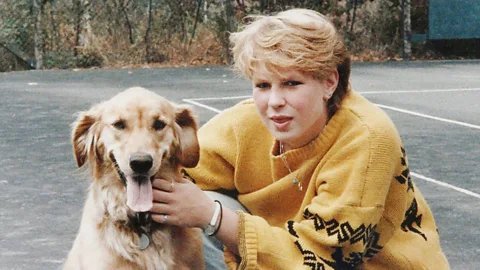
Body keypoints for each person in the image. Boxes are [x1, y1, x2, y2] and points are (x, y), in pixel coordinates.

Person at [150, 8, 450, 269]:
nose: (274, 101)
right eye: (263, 85)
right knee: (175, 202)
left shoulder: (367, 139)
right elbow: (169, 172)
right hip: (283, 254)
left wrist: (212, 217)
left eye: (292, 83)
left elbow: (323, 258)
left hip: (361, 265)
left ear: (329, 82)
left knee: (207, 210)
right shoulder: (246, 123)